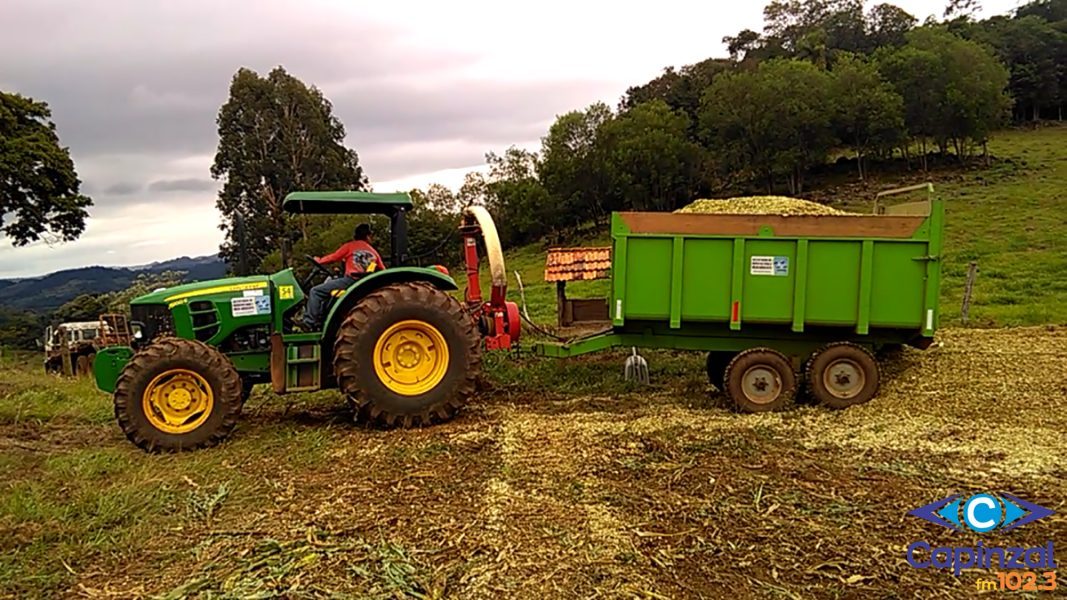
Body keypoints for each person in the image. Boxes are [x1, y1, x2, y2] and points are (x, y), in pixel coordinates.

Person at [300, 223, 385, 331]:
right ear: (367, 236)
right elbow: (383, 270)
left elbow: (333, 257)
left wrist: (319, 261)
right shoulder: (374, 253)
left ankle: (309, 322)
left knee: (316, 291)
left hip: (350, 281)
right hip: (364, 283)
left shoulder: (350, 246)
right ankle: (320, 320)